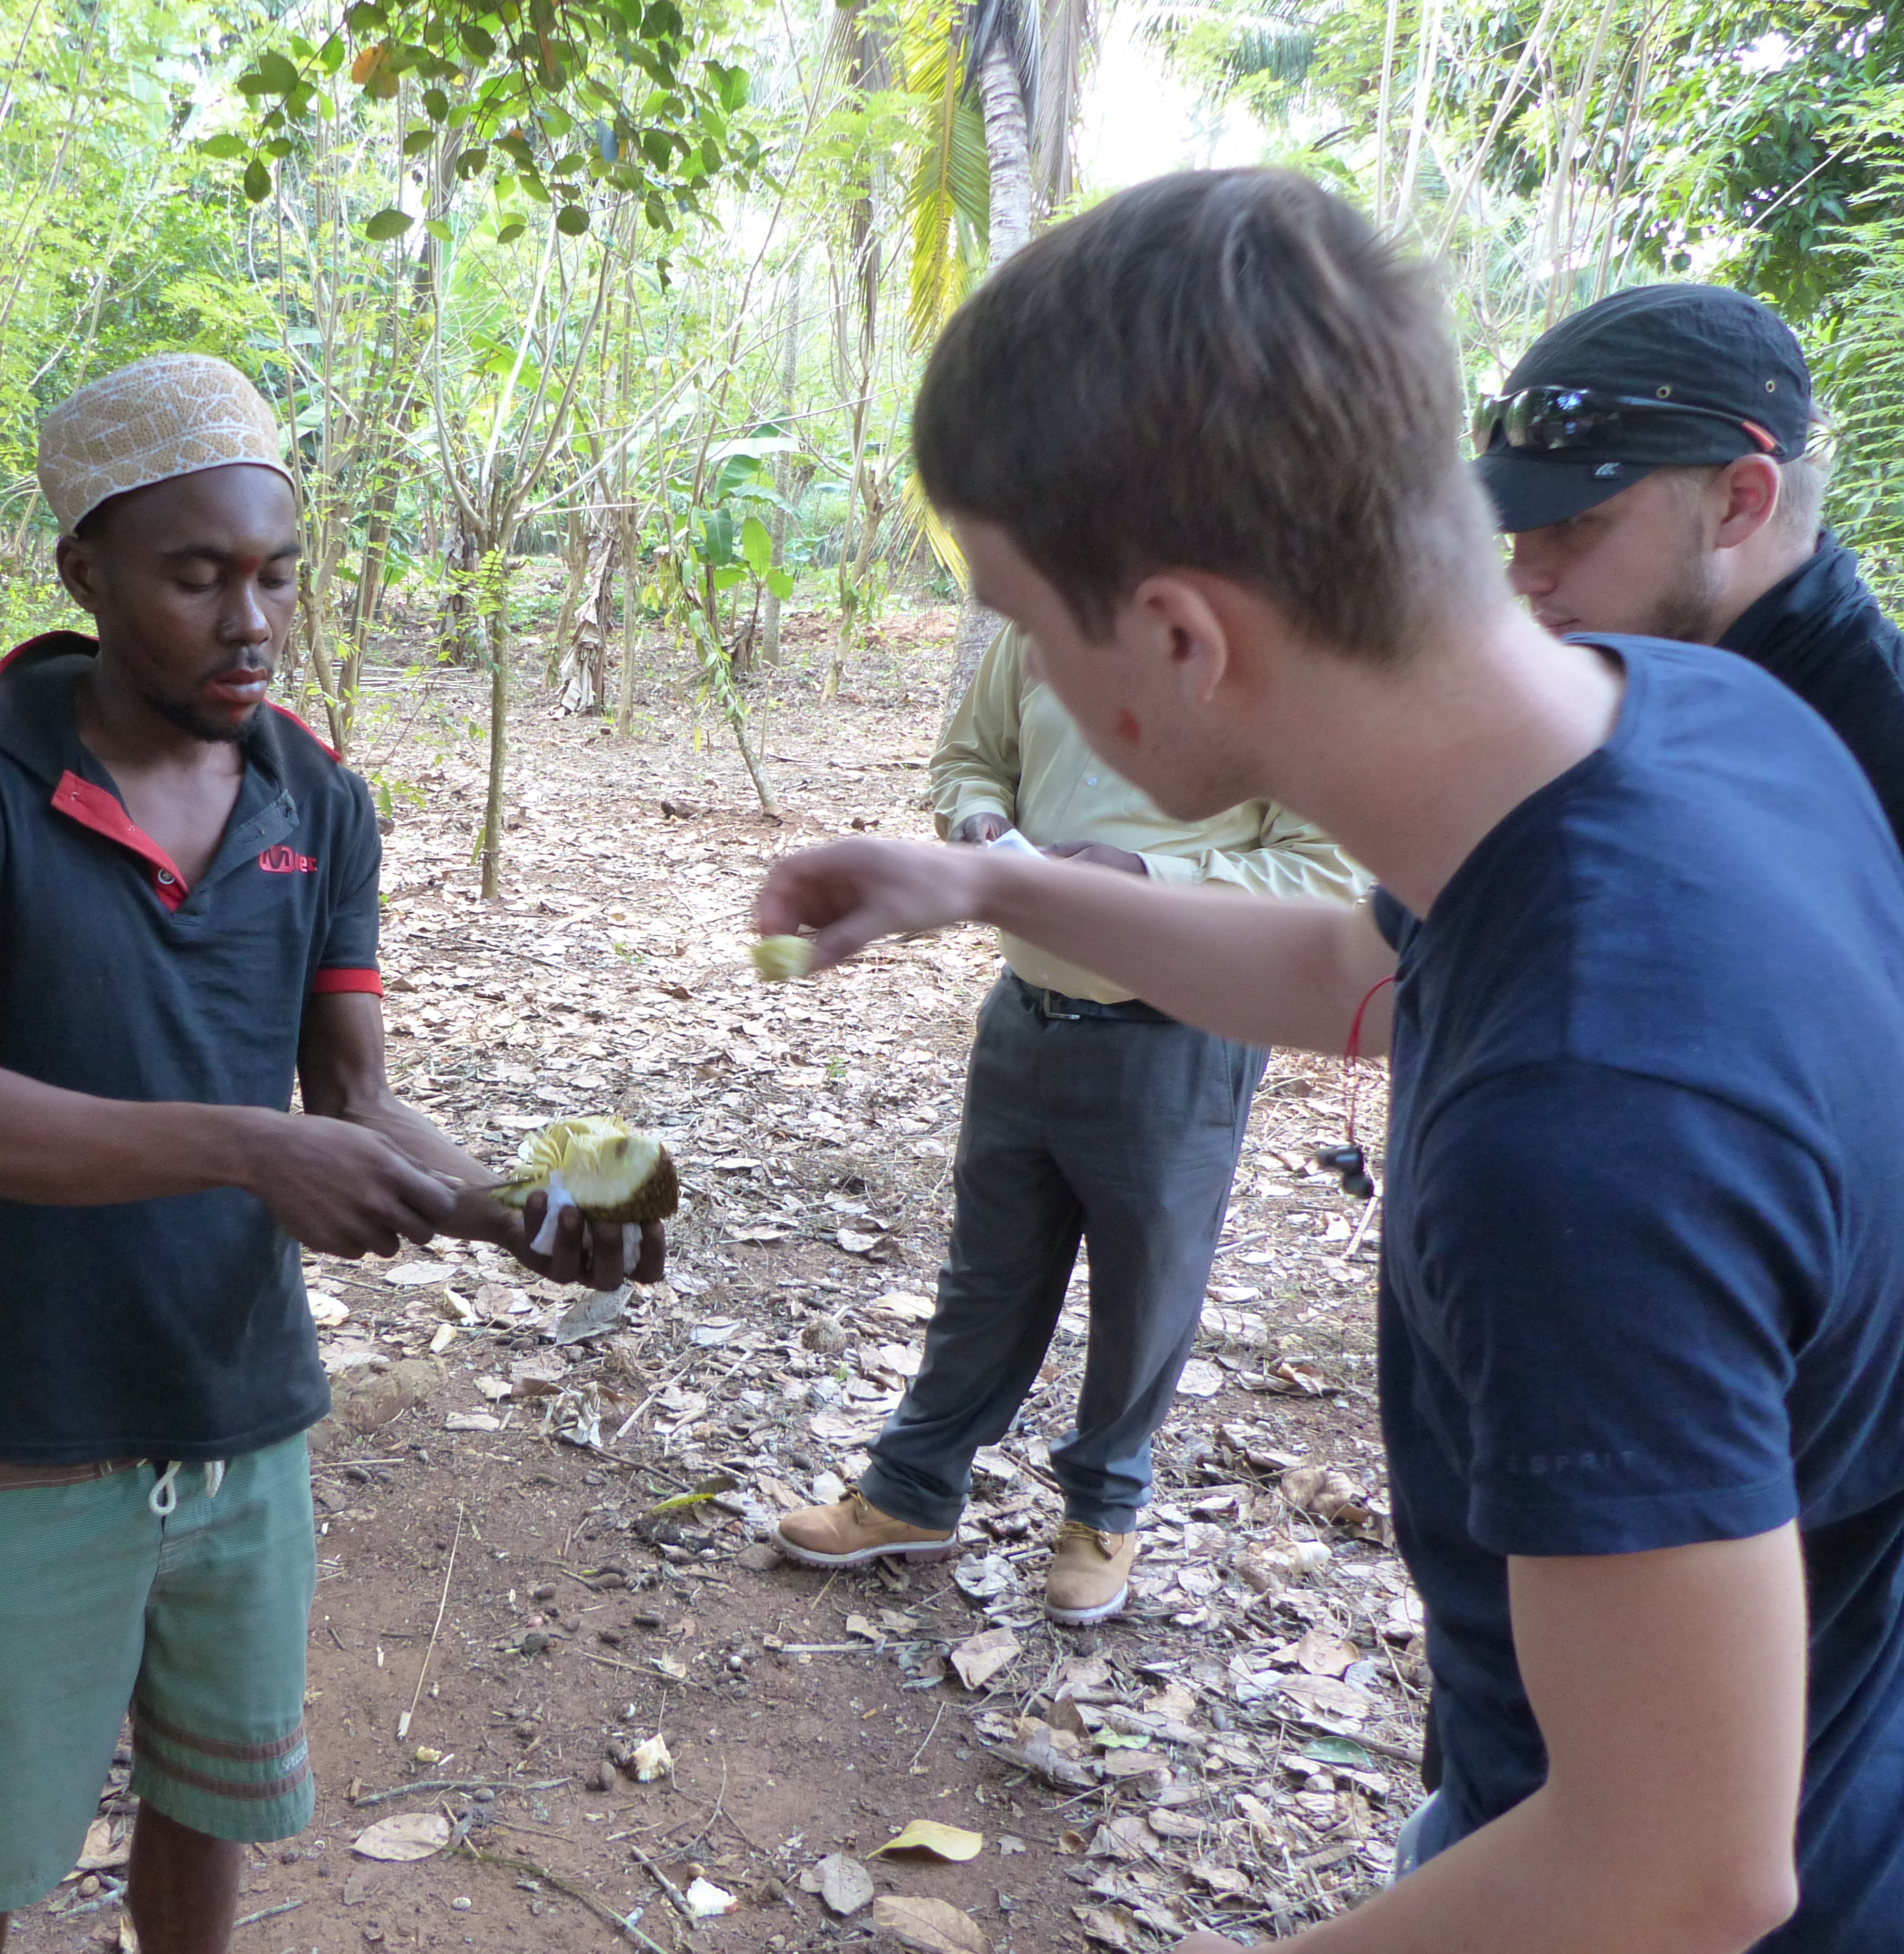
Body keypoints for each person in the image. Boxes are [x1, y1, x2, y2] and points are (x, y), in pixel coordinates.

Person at [757, 171, 1904, 1952]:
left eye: (1026, 621)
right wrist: (981, 881)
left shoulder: (1589, 1124)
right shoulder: (1696, 716)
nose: (1026, 668)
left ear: (1177, 638)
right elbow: (1350, 970)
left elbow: (1678, 1868)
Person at [0, 352, 661, 1954]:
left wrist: (514, 1208)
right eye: (197, 575)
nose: (251, 619)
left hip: (242, 1411)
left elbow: (351, 1093)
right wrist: (245, 1146)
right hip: (37, 1416)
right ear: (83, 571)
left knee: (209, 1797)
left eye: (276, 573)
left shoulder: (317, 794)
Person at [768, 630, 1366, 1624]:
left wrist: (1139, 873)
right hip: (1029, 1006)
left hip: (1178, 1025)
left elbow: (1324, 872)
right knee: (987, 1270)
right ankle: (913, 1489)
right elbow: (970, 759)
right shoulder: (1037, 623)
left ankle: (1102, 1511)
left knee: (1146, 1285)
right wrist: (980, 823)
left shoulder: (1283, 651)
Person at [1478, 282, 1904, 846]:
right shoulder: (1598, 708)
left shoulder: (1882, 763)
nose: (1521, 576)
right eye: (1515, 527)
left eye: (1575, 520)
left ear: (1740, 503)